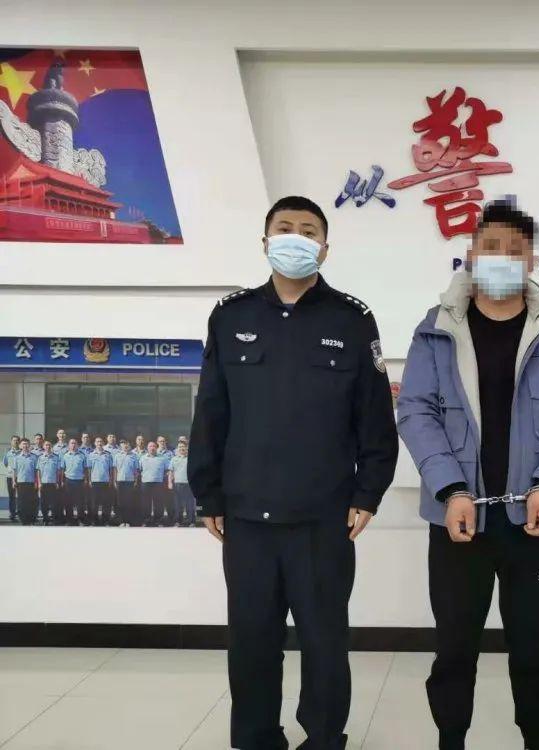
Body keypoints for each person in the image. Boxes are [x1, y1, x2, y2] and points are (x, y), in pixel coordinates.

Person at [189, 195, 398, 750]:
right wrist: (207, 493)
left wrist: (368, 492)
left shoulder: (351, 319)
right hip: (246, 516)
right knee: (251, 643)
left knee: (325, 643)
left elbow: (375, 417)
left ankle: (324, 738)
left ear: (325, 249)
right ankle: (256, 738)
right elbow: (211, 411)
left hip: (323, 518)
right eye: (285, 228)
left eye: (309, 232)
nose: (296, 239)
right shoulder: (232, 316)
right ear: (265, 242)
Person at [396, 199, 539, 750]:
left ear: (531, 261)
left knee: (533, 649)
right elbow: (416, 411)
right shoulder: (436, 329)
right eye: (492, 248)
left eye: (515, 250)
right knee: (454, 648)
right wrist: (450, 489)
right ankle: (451, 739)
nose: (502, 258)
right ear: (471, 254)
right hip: (457, 520)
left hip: (535, 520)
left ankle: (536, 738)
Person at [85, 437, 115, 526]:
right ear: (95, 443)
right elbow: (89, 469)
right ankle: (95, 521)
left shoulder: (108, 455)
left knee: (106, 502)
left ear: (103, 443)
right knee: (94, 502)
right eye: (97, 441)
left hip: (105, 481)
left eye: (101, 441)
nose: (99, 443)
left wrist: (111, 480)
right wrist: (89, 480)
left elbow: (111, 469)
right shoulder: (91, 455)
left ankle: (105, 520)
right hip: (95, 481)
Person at [139, 441, 169, 526]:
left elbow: (167, 470)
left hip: (158, 483)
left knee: (159, 503)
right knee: (146, 503)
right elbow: (139, 470)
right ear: (147, 448)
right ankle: (146, 520)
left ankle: (158, 520)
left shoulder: (163, 458)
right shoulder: (142, 458)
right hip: (146, 483)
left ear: (156, 448)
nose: (152, 448)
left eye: (154, 446)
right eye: (150, 446)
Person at [59, 438, 87, 525]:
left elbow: (85, 469)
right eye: (71, 443)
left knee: (80, 502)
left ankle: (80, 519)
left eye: (75, 443)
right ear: (69, 445)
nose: (73, 445)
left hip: (79, 481)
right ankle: (70, 520)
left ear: (77, 445)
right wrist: (62, 481)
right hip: (68, 481)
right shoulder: (65, 455)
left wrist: (86, 480)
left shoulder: (82, 455)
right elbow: (62, 469)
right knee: (68, 502)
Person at [12, 439, 39, 526]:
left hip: (31, 482)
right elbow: (14, 471)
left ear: (29, 445)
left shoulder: (34, 457)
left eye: (27, 444)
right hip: (21, 482)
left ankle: (31, 519)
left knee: (31, 502)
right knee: (21, 502)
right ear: (20, 446)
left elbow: (36, 471)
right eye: (23, 444)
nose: (25, 446)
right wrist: (13, 481)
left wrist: (36, 482)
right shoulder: (17, 457)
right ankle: (24, 520)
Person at [114, 439, 141, 526]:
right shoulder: (117, 456)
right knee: (120, 502)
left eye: (127, 444)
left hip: (130, 481)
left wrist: (135, 481)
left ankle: (128, 521)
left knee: (129, 502)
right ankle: (121, 521)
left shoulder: (134, 456)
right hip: (120, 481)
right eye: (124, 444)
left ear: (129, 446)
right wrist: (114, 481)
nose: (125, 446)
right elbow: (115, 469)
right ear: (121, 446)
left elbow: (136, 471)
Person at [169, 441, 194, 526]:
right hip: (177, 484)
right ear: (177, 448)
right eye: (179, 447)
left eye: (183, 446)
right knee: (177, 504)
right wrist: (170, 483)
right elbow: (171, 472)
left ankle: (191, 522)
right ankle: (178, 521)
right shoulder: (174, 459)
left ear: (186, 448)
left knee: (189, 504)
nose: (181, 448)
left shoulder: (191, 458)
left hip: (189, 484)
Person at [36, 441, 61, 525]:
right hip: (43, 483)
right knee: (44, 503)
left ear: (51, 447)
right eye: (46, 445)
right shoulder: (40, 458)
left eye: (49, 445)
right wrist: (39, 483)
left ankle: (54, 519)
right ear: (43, 446)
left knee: (54, 503)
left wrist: (57, 482)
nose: (48, 446)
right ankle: (45, 519)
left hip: (53, 483)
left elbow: (58, 471)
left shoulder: (56, 457)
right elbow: (38, 471)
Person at [4, 435, 19, 522]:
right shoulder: (8, 453)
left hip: (20, 477)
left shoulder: (21, 452)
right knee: (12, 496)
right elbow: (6, 463)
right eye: (14, 440)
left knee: (21, 496)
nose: (15, 442)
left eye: (17, 440)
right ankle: (12, 513)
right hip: (10, 477)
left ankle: (20, 512)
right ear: (11, 442)